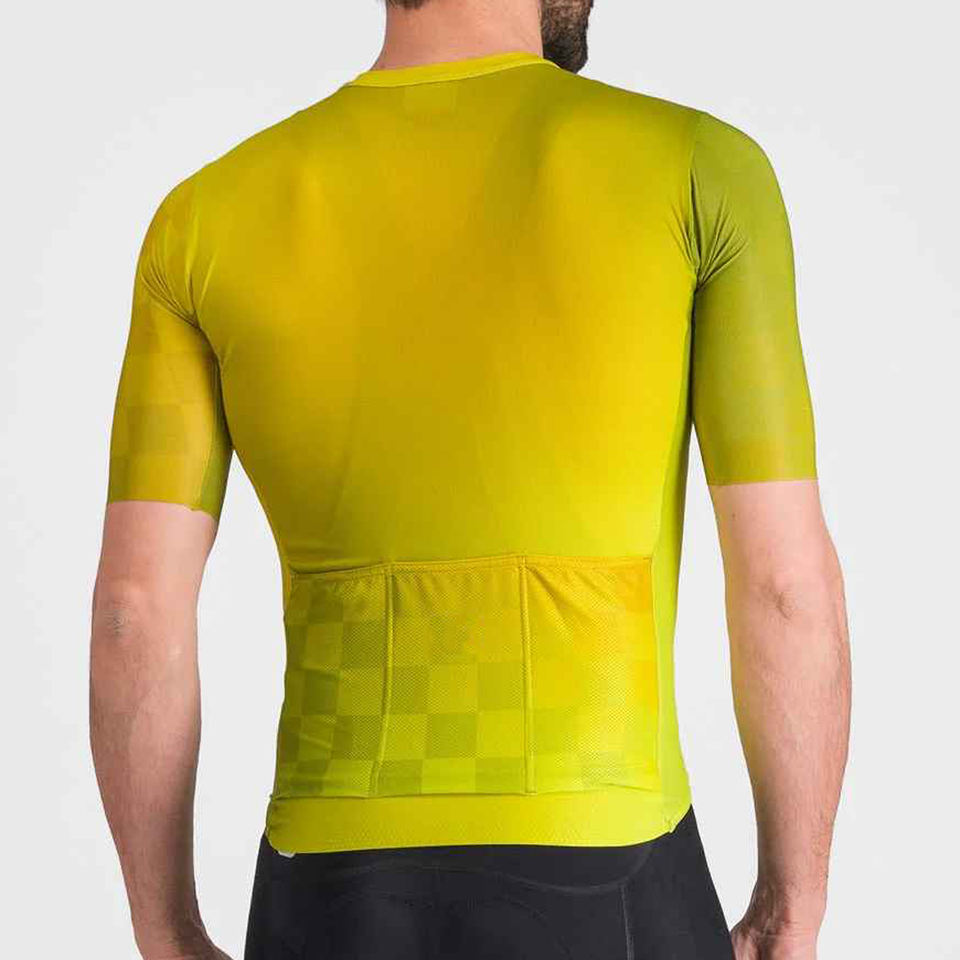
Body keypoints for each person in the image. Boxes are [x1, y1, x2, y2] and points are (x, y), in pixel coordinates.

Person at [90, 1, 852, 958]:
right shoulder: (701, 169)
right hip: (611, 868)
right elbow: (786, 588)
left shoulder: (206, 217)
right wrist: (792, 905)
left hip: (326, 889)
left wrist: (165, 929)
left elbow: (132, 610)